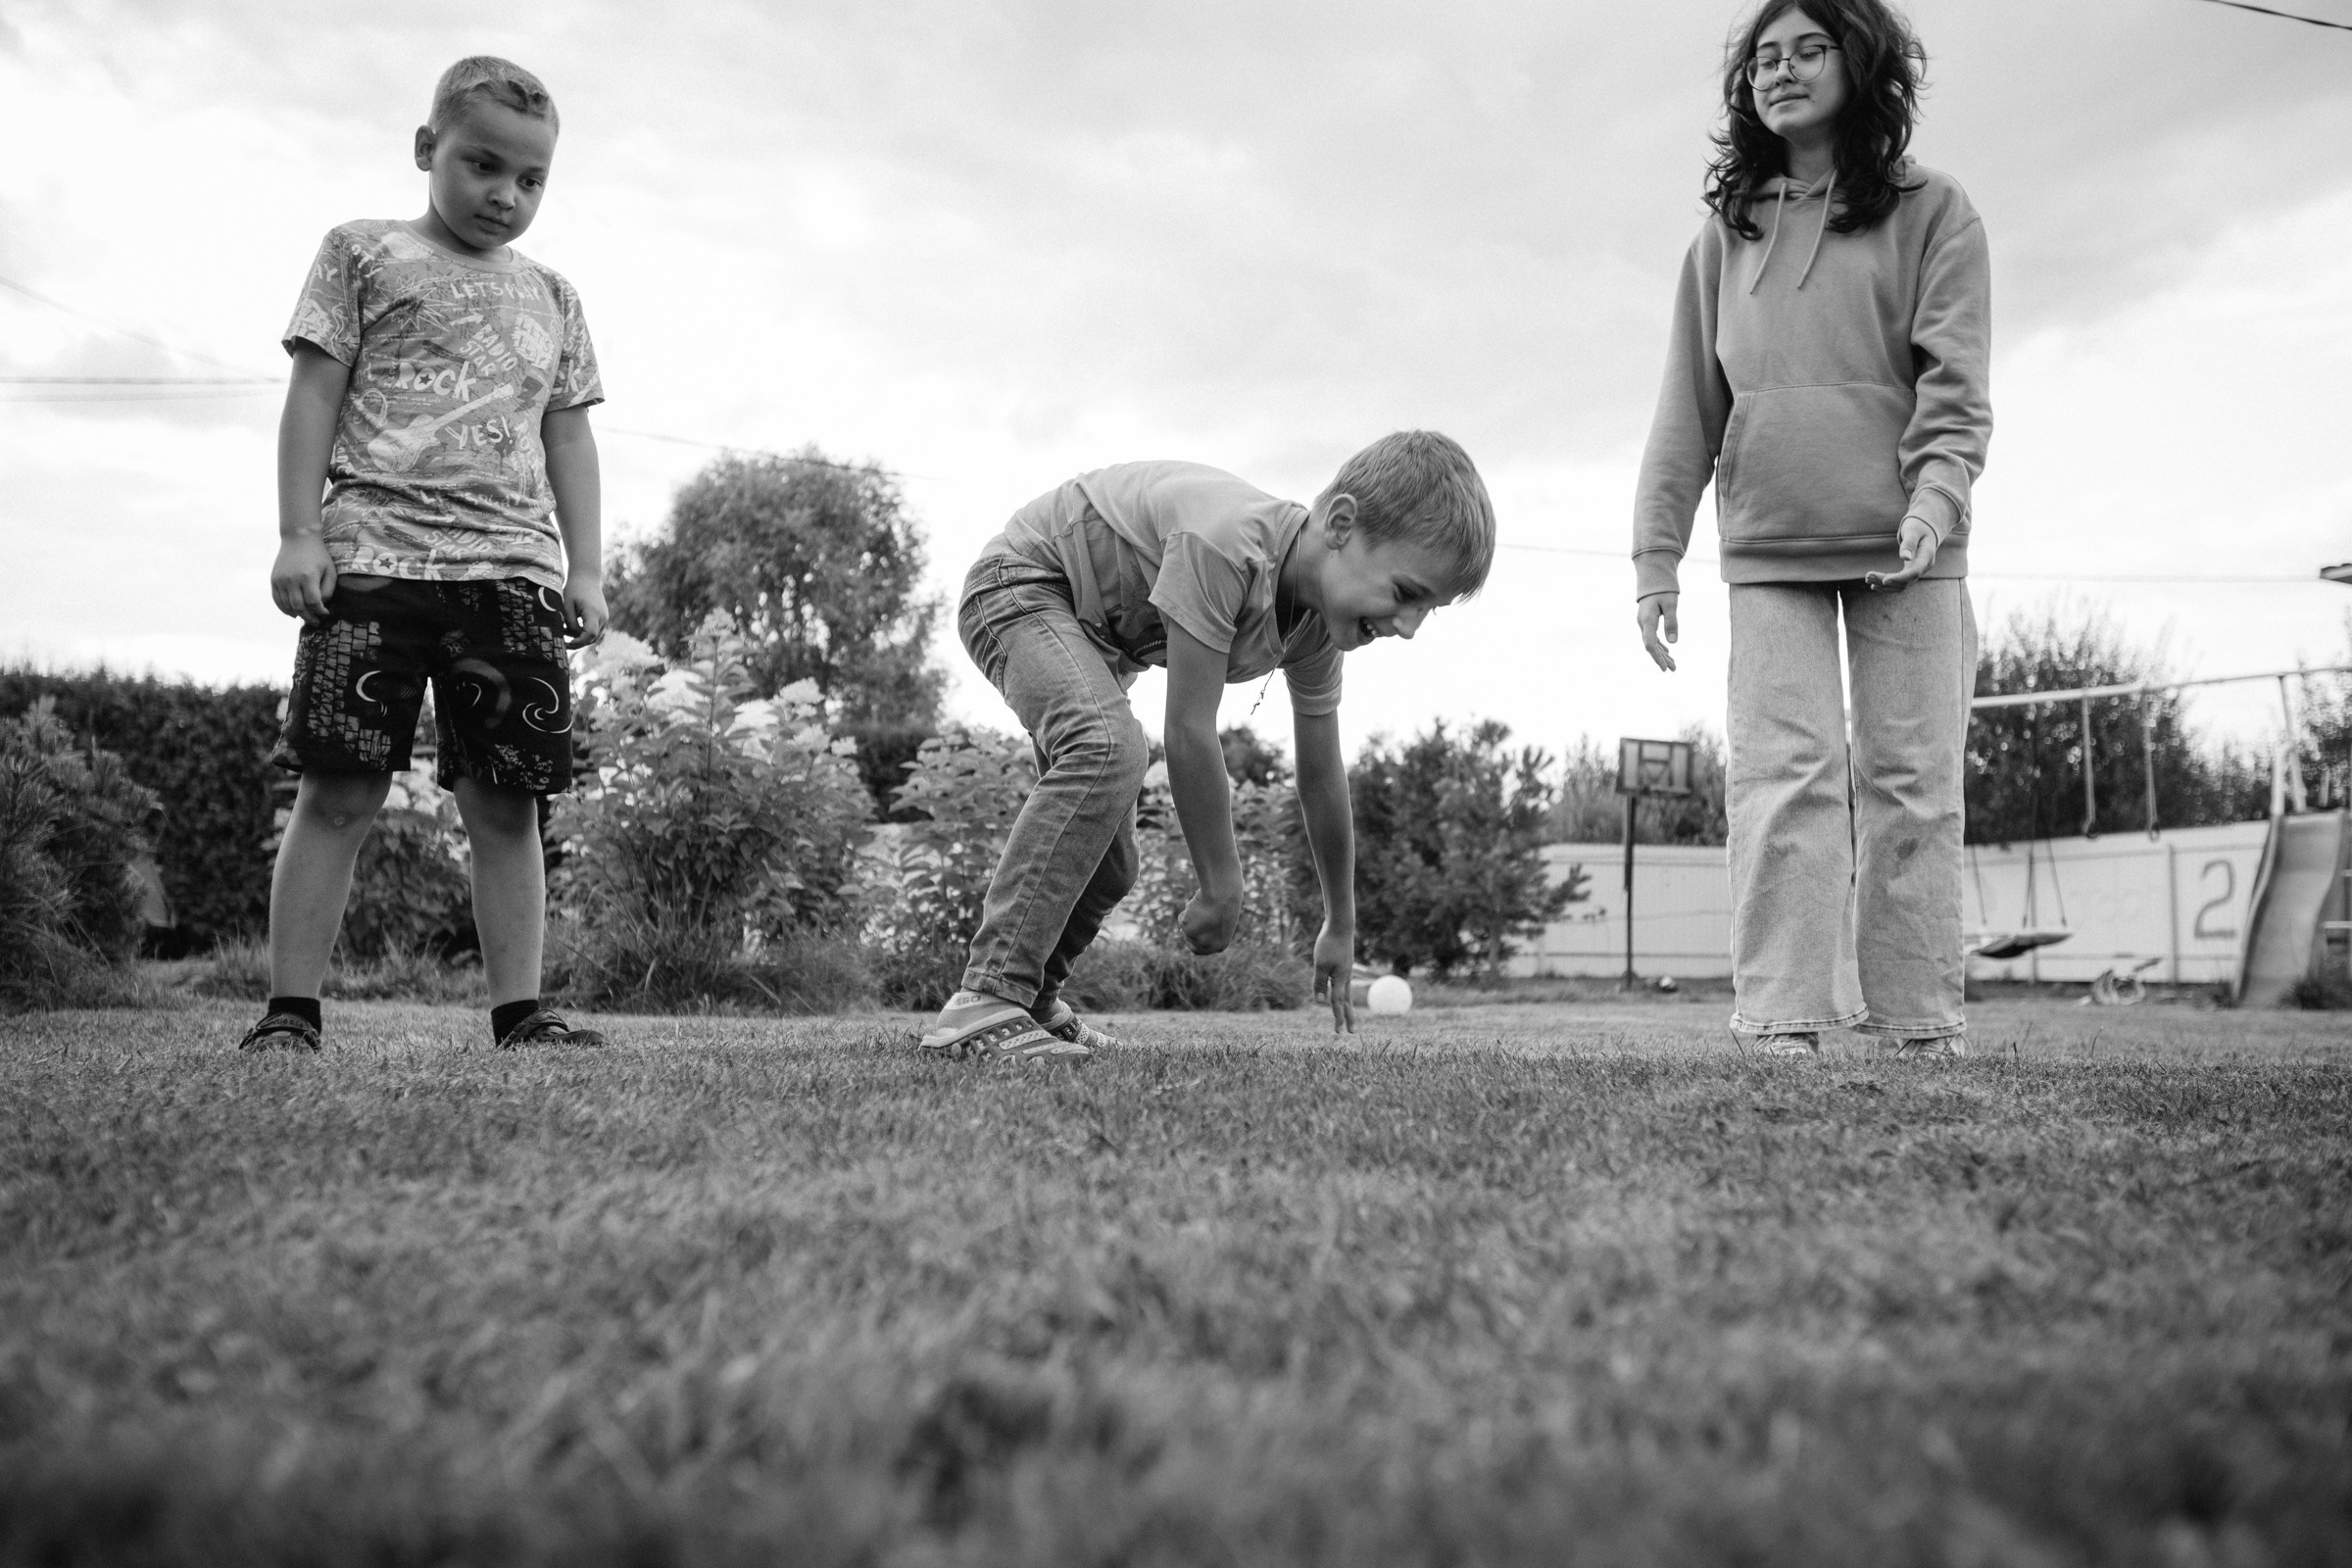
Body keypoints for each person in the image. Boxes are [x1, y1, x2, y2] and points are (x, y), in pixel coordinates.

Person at [1631, 0, 1991, 1058]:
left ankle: (1920, 1022)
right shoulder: (1725, 233)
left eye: (1807, 50)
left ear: (1862, 61)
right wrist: (1657, 558)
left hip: (1911, 549)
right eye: (1762, 58)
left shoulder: (1938, 211)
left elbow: (1956, 387)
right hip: (1770, 547)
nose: (1779, 72)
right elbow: (1685, 412)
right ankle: (1782, 1016)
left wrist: (1934, 500)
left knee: (1912, 785)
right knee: (1784, 782)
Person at [240, 57, 610, 1053]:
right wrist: (297, 530)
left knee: (507, 800)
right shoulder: (361, 254)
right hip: (372, 563)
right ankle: (291, 1012)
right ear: (425, 149)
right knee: (339, 789)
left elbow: (569, 436)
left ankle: (521, 1013)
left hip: (512, 577)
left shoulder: (555, 296)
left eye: (530, 179)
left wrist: (585, 567)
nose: (506, 194)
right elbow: (313, 393)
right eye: (483, 165)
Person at [921, 434, 1496, 1063]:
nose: (1408, 627)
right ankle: (986, 998)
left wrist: (1341, 920)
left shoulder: (1316, 628)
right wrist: (1222, 885)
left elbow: (1322, 776)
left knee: (1113, 863)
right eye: (1407, 593)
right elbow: (1189, 730)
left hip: (1081, 636)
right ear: (1341, 525)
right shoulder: (1224, 545)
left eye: (1427, 612)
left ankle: (1031, 1001)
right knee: (1107, 748)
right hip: (1020, 585)